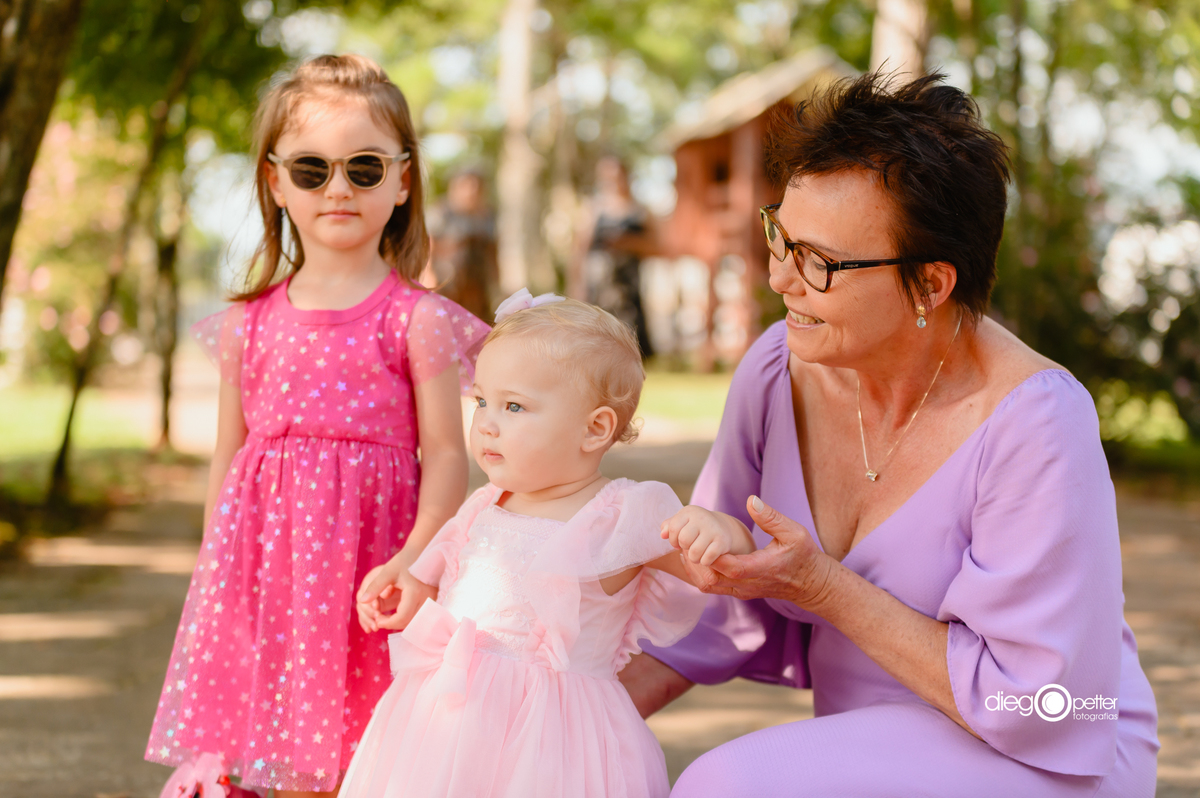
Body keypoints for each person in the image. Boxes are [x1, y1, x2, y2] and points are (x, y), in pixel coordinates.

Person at [617, 71, 1160, 796]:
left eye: (820, 262)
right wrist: (578, 723)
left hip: (1049, 751)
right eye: (781, 236)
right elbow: (718, 600)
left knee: (727, 785)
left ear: (931, 284)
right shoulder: (777, 370)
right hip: (867, 749)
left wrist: (822, 586)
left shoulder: (1036, 421)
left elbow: (1035, 704)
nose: (780, 279)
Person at [145, 55, 489, 798]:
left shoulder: (415, 319)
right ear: (275, 182)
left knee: (369, 763)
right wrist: (217, 573)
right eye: (312, 169)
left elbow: (446, 456)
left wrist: (418, 561)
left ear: (403, 181)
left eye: (364, 169)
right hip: (272, 583)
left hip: (375, 577)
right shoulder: (247, 325)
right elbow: (229, 456)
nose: (338, 189)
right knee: (281, 761)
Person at [339, 290, 753, 798]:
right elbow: (439, 578)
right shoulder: (484, 504)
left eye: (514, 406)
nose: (487, 423)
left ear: (594, 429)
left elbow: (729, 568)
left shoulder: (621, 515)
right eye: (482, 401)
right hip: (447, 728)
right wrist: (408, 583)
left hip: (554, 743)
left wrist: (720, 530)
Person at [575, 156, 658, 358]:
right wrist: (577, 285)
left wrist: (628, 244)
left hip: (629, 287)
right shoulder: (593, 209)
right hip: (599, 285)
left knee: (631, 340)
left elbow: (657, 247)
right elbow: (579, 250)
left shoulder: (641, 211)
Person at [426, 167, 499, 321]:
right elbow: (428, 246)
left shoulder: (487, 216)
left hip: (478, 286)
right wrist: (430, 277)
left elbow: (493, 251)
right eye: (467, 186)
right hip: (447, 282)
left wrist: (496, 284)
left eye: (476, 187)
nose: (471, 191)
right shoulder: (441, 212)